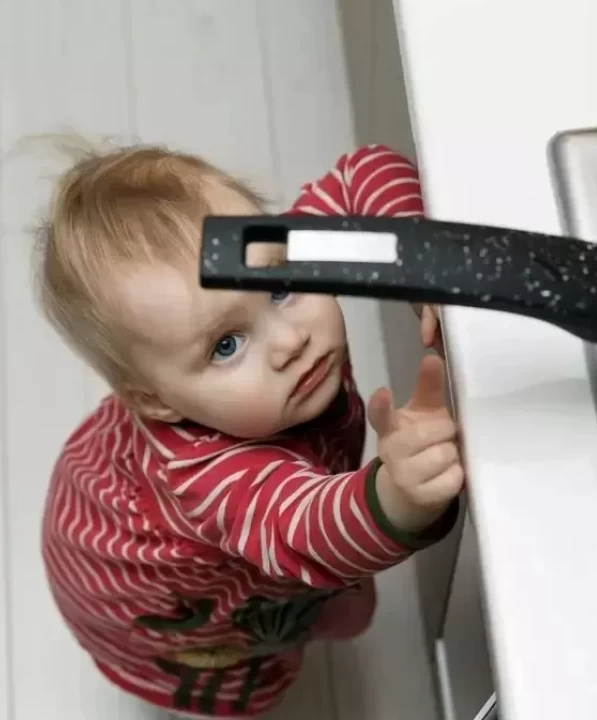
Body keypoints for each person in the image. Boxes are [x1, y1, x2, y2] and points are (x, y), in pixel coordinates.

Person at [34, 142, 460, 718]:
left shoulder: (261, 257)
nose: (290, 341)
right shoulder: (206, 477)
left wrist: (418, 259)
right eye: (226, 345)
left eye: (280, 286)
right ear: (155, 401)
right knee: (255, 646)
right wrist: (398, 498)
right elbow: (304, 526)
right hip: (155, 594)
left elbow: (364, 175)